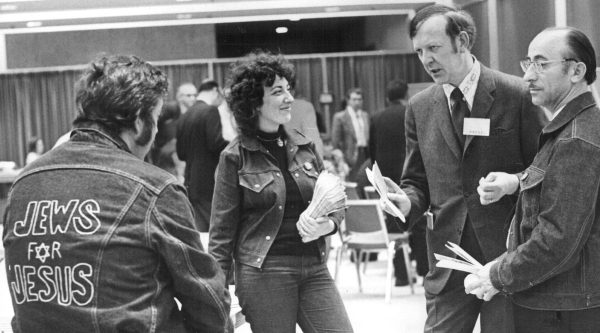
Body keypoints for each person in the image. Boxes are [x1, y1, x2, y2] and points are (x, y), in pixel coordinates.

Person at [2, 54, 232, 333]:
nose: (157, 129)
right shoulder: (155, 189)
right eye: (156, 118)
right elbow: (207, 301)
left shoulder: (23, 184)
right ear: (138, 121)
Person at [382, 4, 546, 333]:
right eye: (419, 51)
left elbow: (543, 168)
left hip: (506, 258)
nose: (426, 59)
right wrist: (406, 202)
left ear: (463, 41)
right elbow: (416, 181)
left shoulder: (515, 94)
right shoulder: (419, 106)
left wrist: (513, 181)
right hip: (448, 262)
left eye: (434, 48)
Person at [465, 27, 600, 333]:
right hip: (555, 301)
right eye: (528, 64)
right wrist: (515, 182)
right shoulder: (568, 130)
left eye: (542, 64)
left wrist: (497, 274)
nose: (528, 76)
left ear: (577, 70)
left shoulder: (575, 139)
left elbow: (556, 240)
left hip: (560, 309)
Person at [209, 51, 353, 333]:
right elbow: (221, 233)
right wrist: (217, 292)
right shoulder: (234, 157)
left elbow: (336, 200)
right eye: (278, 91)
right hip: (264, 272)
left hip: (314, 266)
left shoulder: (305, 147)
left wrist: (329, 224)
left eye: (289, 89)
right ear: (253, 102)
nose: (289, 97)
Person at [369, 79, 428, 285]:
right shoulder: (412, 112)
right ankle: (423, 269)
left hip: (386, 178)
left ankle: (401, 276)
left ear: (387, 97)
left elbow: (371, 151)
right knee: (419, 225)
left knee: (393, 224)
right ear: (406, 94)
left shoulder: (376, 117)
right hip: (412, 176)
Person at [176, 79, 228, 232]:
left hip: (191, 181)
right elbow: (216, 144)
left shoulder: (185, 116)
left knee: (199, 232)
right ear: (214, 91)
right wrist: (235, 143)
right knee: (213, 231)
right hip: (208, 182)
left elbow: (181, 153)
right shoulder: (210, 111)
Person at [151, 82, 198, 179]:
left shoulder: (194, 111)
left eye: (194, 95)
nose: (192, 98)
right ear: (180, 97)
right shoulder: (170, 109)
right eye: (189, 96)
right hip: (164, 152)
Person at [331, 87, 370, 182]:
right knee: (352, 182)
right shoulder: (340, 117)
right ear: (348, 100)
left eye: (359, 99)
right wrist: (341, 161)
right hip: (349, 155)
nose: (357, 102)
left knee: (365, 180)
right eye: (354, 99)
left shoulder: (365, 115)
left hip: (365, 152)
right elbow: (335, 142)